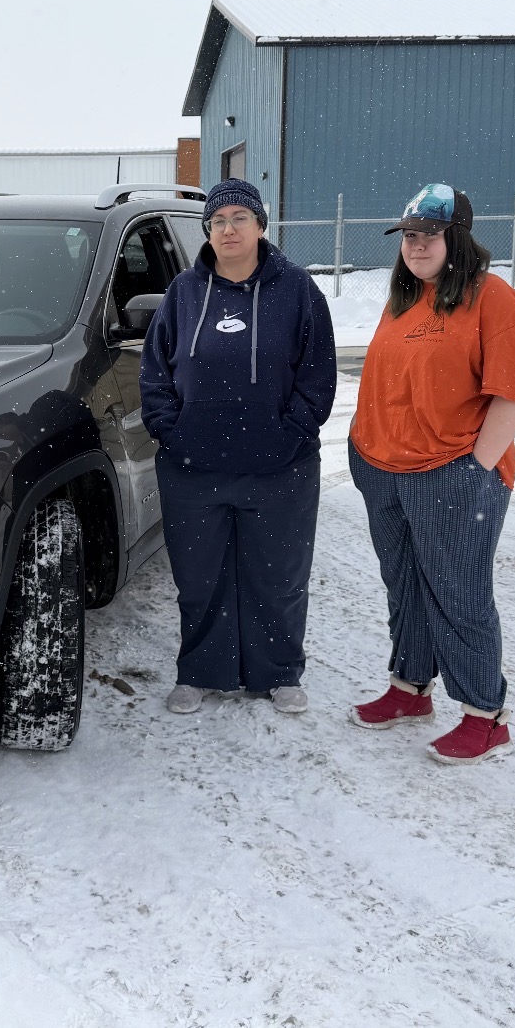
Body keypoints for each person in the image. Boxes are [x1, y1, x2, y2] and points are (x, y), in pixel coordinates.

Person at [347, 183, 515, 764]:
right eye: (408, 234)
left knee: (459, 594)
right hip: (384, 468)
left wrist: (475, 470)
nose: (416, 245)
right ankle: (410, 688)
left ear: (458, 237)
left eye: (429, 233)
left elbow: (511, 396)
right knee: (404, 586)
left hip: (452, 473)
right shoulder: (405, 300)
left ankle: (484, 714)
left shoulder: (494, 300)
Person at [141, 178, 336, 716]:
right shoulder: (183, 293)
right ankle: (200, 671)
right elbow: (155, 373)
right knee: (200, 577)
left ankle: (279, 673)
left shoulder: (297, 290)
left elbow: (317, 375)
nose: (228, 229)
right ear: (208, 230)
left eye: (239, 219)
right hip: (193, 468)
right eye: (218, 221)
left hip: (280, 469)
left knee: (278, 576)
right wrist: (172, 432)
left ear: (260, 226)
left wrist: (290, 434)